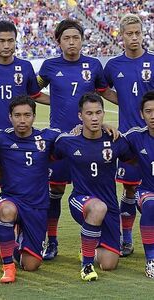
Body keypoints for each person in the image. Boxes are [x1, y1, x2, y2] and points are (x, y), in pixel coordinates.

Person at [37, 19, 118, 260]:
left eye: (76, 37)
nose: (72, 42)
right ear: (58, 41)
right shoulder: (49, 66)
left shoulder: (94, 65)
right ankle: (51, 241)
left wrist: (136, 107)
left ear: (82, 39)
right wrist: (57, 101)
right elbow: (32, 91)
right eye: (66, 38)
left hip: (89, 140)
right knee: (56, 190)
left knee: (97, 187)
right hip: (61, 140)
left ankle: (109, 237)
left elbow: (103, 94)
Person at [0, 20, 48, 261]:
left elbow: (35, 95)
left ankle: (24, 238)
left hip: (20, 141)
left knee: (19, 191)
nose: (6, 45)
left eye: (10, 40)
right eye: (1, 40)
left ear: (16, 41)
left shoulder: (24, 67)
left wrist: (66, 100)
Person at [53, 93, 133, 281]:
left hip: (110, 207)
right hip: (81, 200)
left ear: (104, 114)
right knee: (97, 208)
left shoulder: (116, 140)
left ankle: (89, 246)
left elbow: (133, 159)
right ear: (80, 116)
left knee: (109, 264)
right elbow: (51, 156)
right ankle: (86, 265)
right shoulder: (67, 141)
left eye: (98, 113)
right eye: (89, 113)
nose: (95, 117)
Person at [0, 95, 60, 283]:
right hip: (11, 199)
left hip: (37, 206)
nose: (22, 120)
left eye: (27, 115)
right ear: (10, 117)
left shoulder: (48, 137)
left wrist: (104, 127)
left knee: (31, 265)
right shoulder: (0, 138)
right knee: (7, 211)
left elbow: (76, 136)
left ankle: (14, 242)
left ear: (34, 116)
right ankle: (8, 267)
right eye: (17, 115)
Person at [104, 13, 154, 256]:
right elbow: (101, 88)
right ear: (121, 36)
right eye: (129, 34)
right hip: (127, 139)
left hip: (152, 136)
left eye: (138, 33)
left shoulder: (153, 61)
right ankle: (126, 238)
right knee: (130, 189)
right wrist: (123, 101)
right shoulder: (113, 65)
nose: (134, 38)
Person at [124, 90, 154, 277]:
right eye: (149, 111)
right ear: (141, 114)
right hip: (147, 191)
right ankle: (151, 259)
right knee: (151, 205)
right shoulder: (135, 137)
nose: (153, 116)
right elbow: (108, 141)